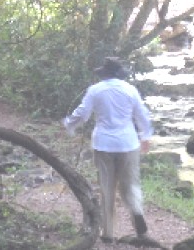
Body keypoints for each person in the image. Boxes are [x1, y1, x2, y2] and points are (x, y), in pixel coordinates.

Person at [63, 57, 154, 243]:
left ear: (104, 74)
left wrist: (68, 125)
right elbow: (142, 114)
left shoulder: (95, 90)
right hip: (128, 143)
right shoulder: (130, 90)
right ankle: (137, 218)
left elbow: (82, 114)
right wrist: (146, 136)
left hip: (103, 144)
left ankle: (108, 234)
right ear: (120, 74)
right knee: (130, 185)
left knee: (107, 188)